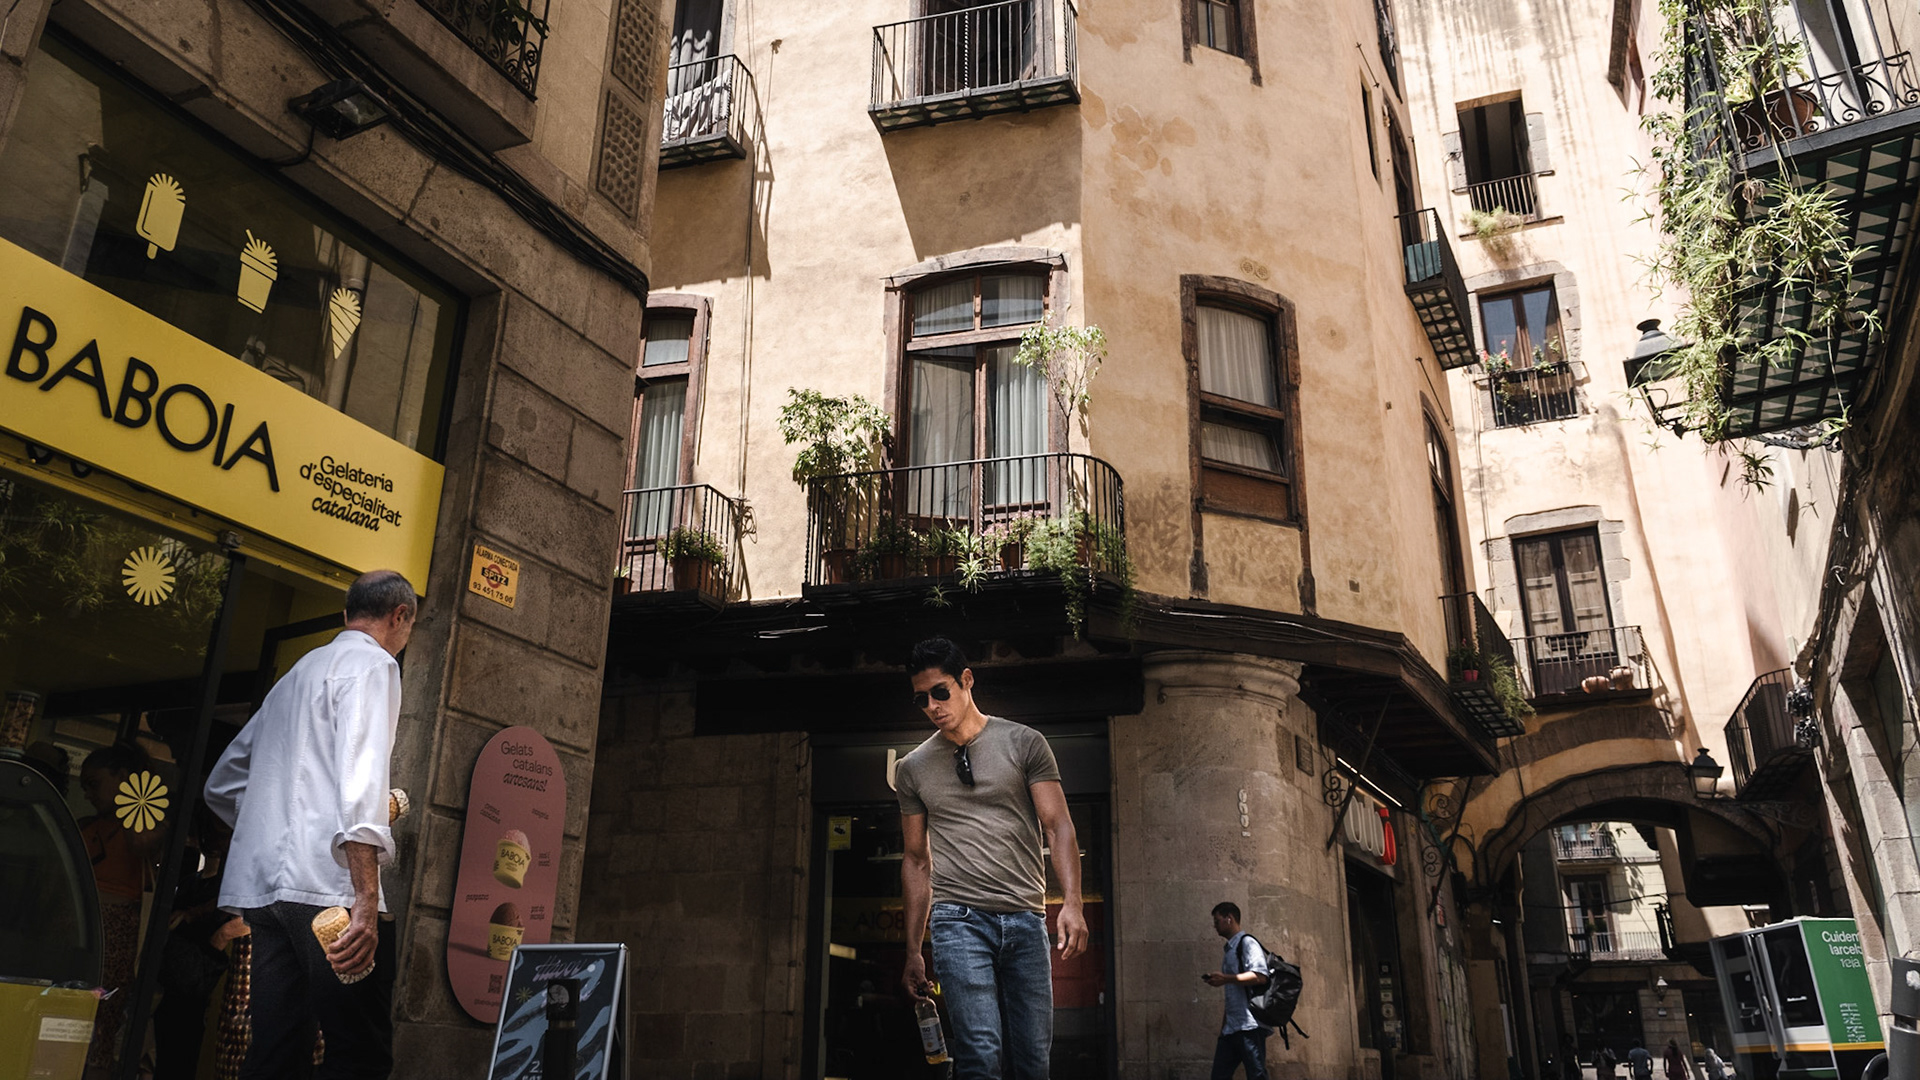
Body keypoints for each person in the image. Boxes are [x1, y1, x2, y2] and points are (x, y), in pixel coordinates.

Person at [204, 570, 416, 1080]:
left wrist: (273, 825)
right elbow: (362, 782)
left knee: (275, 1047)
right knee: (358, 1048)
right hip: (327, 891)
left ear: (346, 616)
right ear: (401, 617)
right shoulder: (374, 665)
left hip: (265, 892)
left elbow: (223, 783)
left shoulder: (297, 674)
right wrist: (366, 898)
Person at [896, 637, 1087, 1080]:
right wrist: (912, 951)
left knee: (1033, 1061)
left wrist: (1072, 903)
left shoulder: (1024, 743)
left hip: (1024, 918)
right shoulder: (913, 768)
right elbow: (915, 860)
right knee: (980, 1056)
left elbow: (1058, 826)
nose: (931, 706)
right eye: (920, 698)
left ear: (966, 680)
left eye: (940, 692)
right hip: (957, 922)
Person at [78, 741, 158, 1076]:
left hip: (118, 930)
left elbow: (142, 843)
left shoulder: (141, 821)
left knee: (104, 1013)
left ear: (122, 777)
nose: (88, 795)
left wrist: (134, 792)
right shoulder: (89, 824)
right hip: (82, 925)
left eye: (95, 785)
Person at [1202, 901, 1271, 1080]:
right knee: (1219, 1076)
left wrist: (1226, 979)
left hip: (1250, 1026)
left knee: (1256, 1076)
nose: (1214, 926)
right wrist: (1223, 1027)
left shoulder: (1247, 943)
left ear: (1229, 919)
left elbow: (1260, 976)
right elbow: (1233, 994)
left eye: (1217, 921)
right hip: (1231, 1028)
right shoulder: (1229, 951)